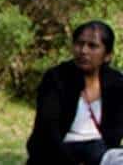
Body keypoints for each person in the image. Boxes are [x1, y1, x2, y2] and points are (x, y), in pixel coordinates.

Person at [27, 21, 123, 165]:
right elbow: (48, 131)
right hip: (59, 151)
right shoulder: (56, 78)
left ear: (107, 55)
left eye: (92, 46)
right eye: (79, 44)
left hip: (100, 151)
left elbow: (115, 133)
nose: (83, 51)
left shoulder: (116, 82)